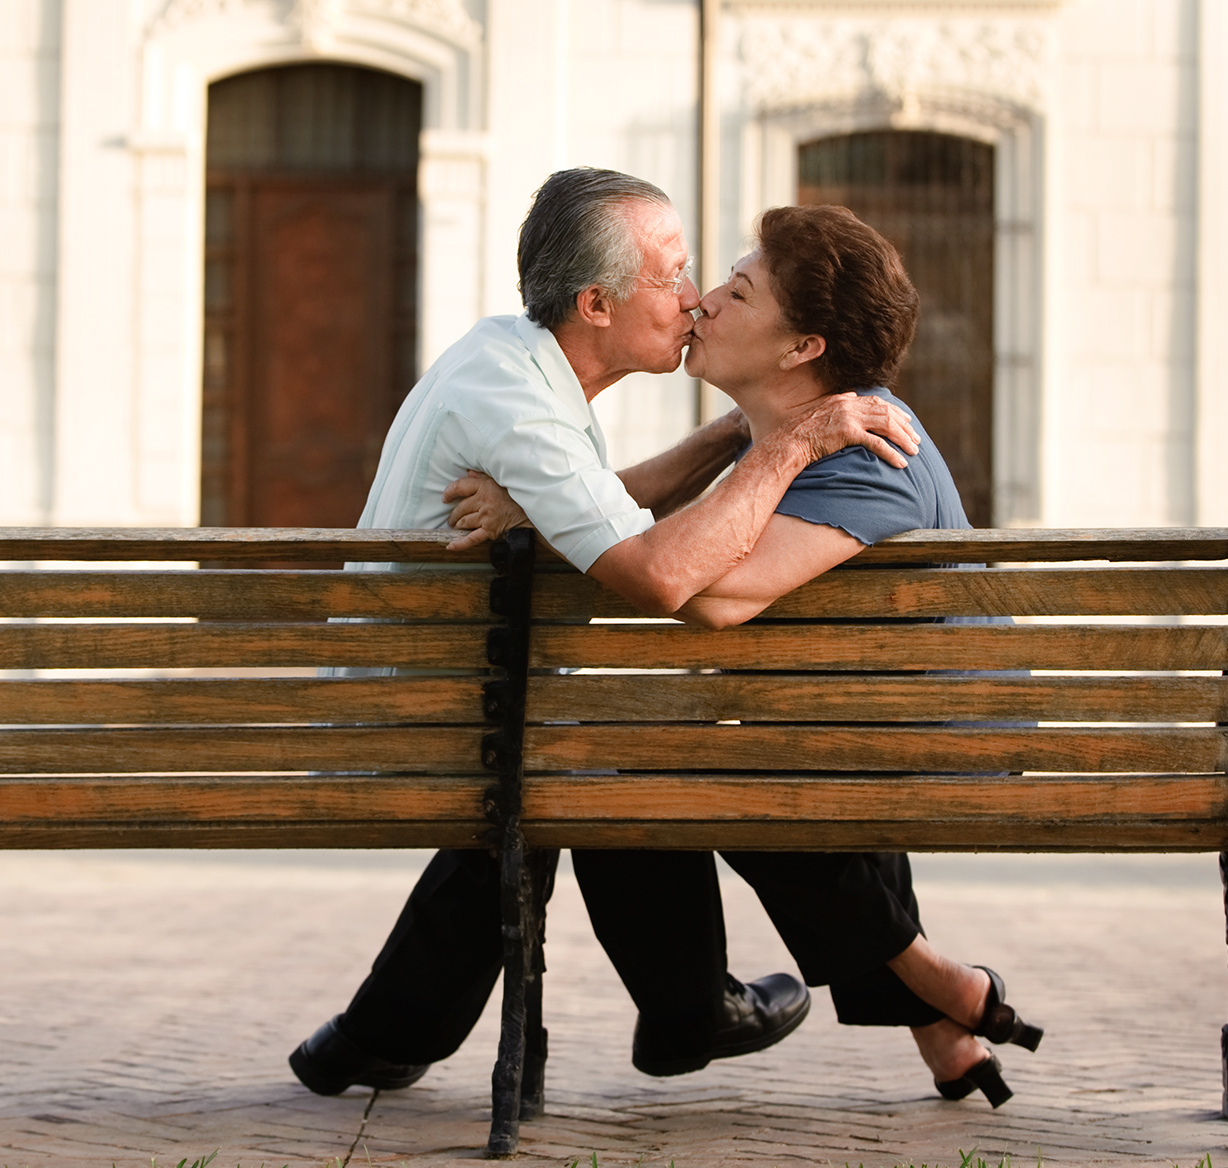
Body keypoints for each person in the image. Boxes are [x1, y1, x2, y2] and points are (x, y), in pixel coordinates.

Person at [287, 170, 922, 1097]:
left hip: (445, 696)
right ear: (596, 303)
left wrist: (730, 438)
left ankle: (381, 1035)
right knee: (611, 774)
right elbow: (662, 575)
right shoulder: (523, 410)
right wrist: (791, 442)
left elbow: (601, 508)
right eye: (675, 275)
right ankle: (690, 1009)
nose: (695, 298)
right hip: (426, 719)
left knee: (587, 769)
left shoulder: (511, 359)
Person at [445, 203, 1045, 1107]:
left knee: (641, 771)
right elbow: (658, 535)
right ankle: (936, 1013)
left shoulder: (862, 451)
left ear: (801, 349)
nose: (704, 302)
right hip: (862, 725)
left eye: (739, 290)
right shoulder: (794, 439)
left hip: (939, 743)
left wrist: (548, 513)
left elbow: (709, 593)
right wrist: (548, 505)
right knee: (691, 754)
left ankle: (846, 992)